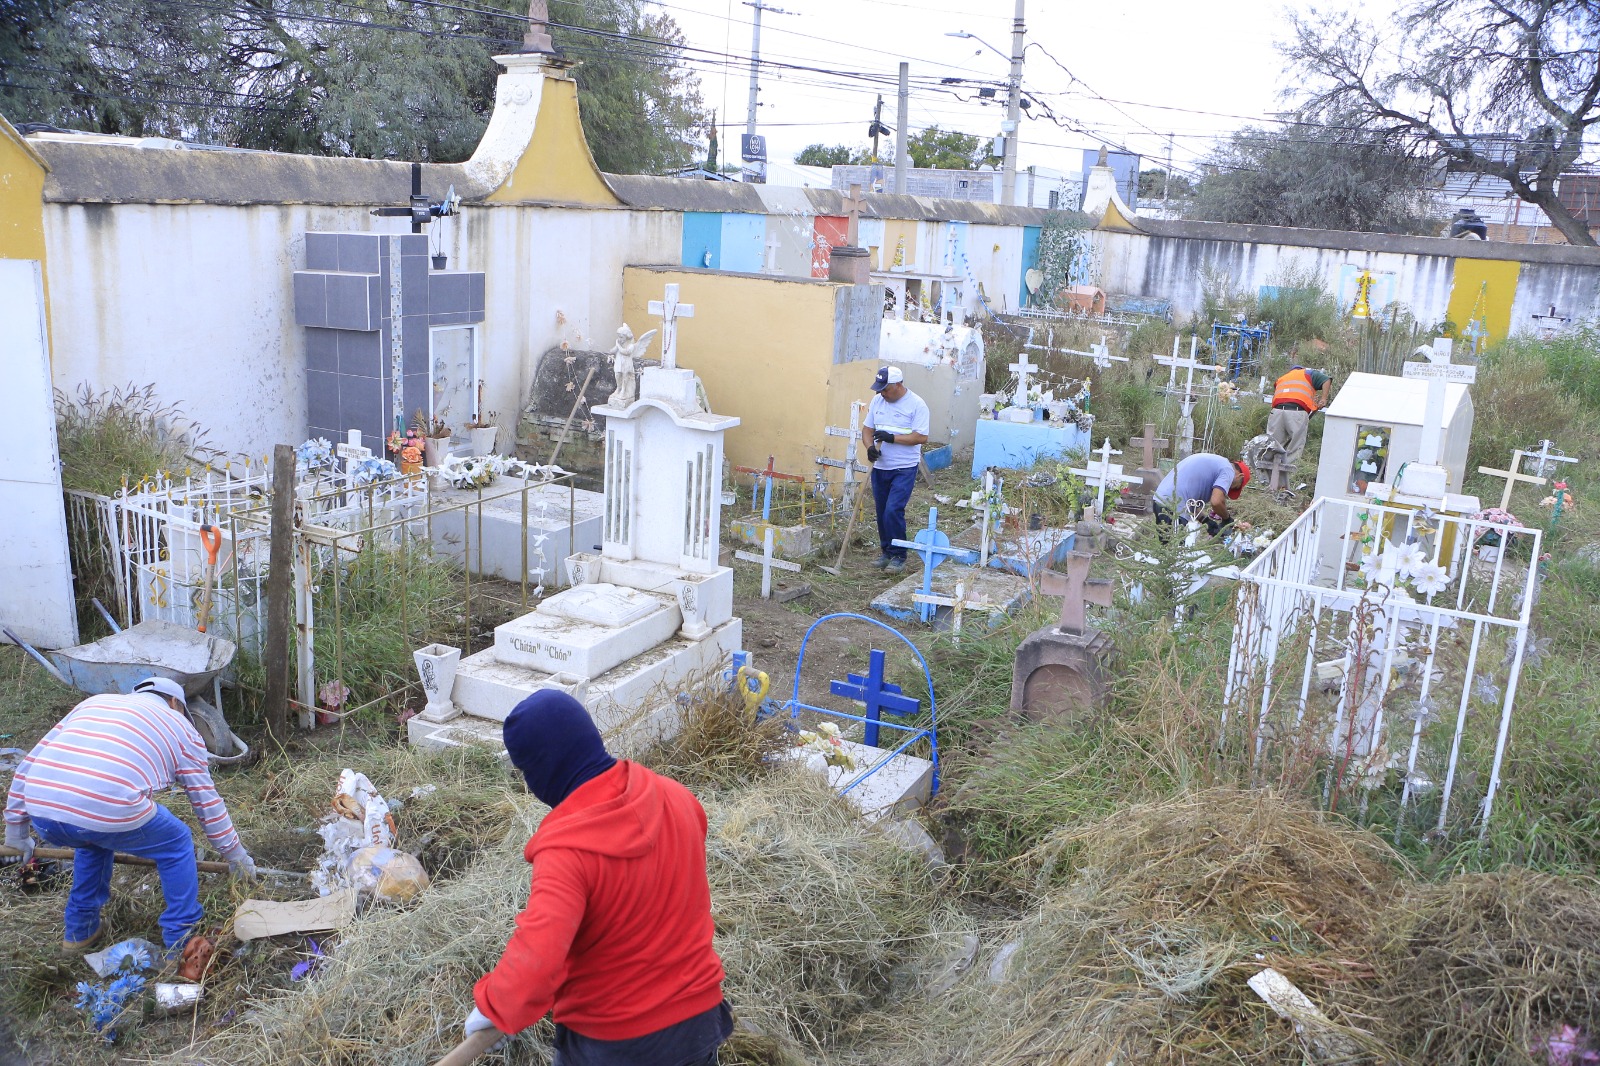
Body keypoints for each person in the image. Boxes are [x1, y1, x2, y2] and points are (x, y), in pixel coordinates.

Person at [464, 690, 731, 1066]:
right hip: (697, 1021)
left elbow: (539, 957)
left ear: (544, 765)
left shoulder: (566, 852)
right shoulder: (677, 797)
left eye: (526, 771)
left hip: (616, 1041)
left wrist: (496, 1005)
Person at [3, 677, 255, 953]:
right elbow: (206, 803)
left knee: (94, 840)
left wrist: (17, 835)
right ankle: (181, 942)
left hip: (41, 807)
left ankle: (80, 932)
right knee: (177, 842)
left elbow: (26, 767)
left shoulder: (94, 703)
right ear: (175, 703)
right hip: (107, 807)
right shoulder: (182, 727)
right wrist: (236, 856)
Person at [861, 365, 930, 574]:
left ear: (898, 385)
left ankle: (899, 555)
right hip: (880, 467)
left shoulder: (917, 405)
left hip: (904, 468)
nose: (881, 393)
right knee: (882, 512)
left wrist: (893, 438)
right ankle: (886, 552)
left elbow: (921, 437)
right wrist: (870, 448)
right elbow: (867, 429)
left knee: (893, 510)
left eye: (885, 389)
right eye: (879, 389)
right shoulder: (877, 401)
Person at [1152, 452, 1250, 538]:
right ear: (1240, 476)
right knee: (1174, 551)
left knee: (1165, 547)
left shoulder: (1217, 463)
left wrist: (1207, 522)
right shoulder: (1228, 470)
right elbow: (1216, 502)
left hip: (1161, 499)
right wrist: (1227, 519)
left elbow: (1191, 504)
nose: (1229, 490)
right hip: (1174, 507)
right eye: (1235, 487)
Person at [1265, 365, 1332, 465]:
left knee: (1273, 445)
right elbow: (1326, 380)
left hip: (1276, 412)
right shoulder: (1307, 373)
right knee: (1295, 448)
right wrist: (1323, 399)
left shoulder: (1283, 378)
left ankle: (1269, 472)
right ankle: (1288, 473)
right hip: (1296, 412)